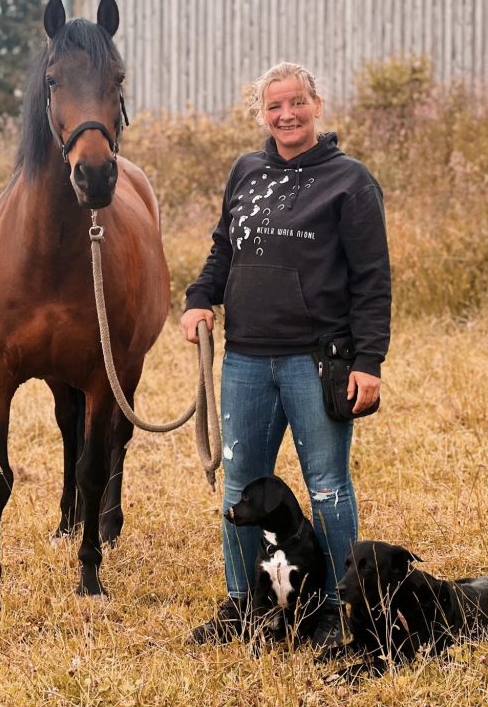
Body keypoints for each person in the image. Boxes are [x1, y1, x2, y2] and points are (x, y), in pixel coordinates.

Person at [180, 61, 391, 653]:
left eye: (296, 102)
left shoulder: (351, 182)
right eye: (274, 106)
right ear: (262, 113)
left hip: (316, 361)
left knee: (327, 488)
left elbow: (373, 279)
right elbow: (224, 247)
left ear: (316, 105)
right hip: (246, 361)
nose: (287, 114)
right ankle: (243, 605)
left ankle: (336, 608)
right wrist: (199, 298)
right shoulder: (246, 171)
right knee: (239, 488)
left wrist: (368, 361)